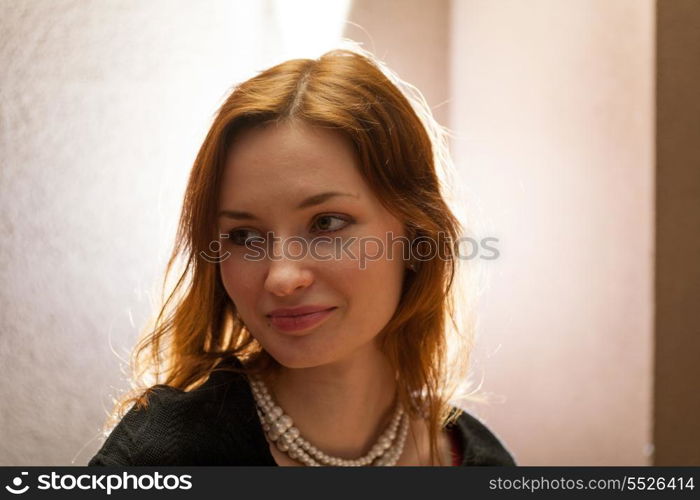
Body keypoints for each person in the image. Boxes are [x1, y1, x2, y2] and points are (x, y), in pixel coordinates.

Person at [88, 47, 516, 467]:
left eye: (327, 223)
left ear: (417, 234)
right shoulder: (163, 457)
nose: (282, 277)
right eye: (244, 235)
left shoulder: (483, 464)